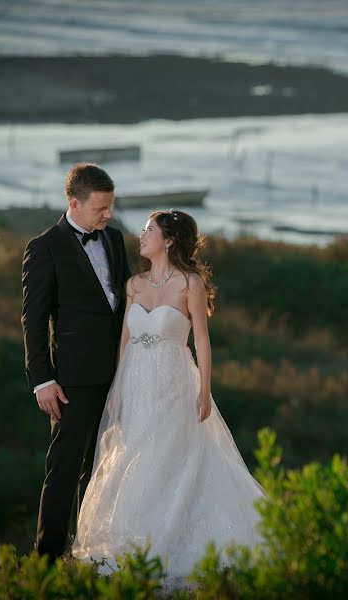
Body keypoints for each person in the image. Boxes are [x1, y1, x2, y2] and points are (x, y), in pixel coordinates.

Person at [71, 209, 264, 584]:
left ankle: (170, 539)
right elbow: (126, 339)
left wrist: (205, 390)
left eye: (149, 231)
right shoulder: (134, 284)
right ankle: (133, 538)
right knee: (134, 455)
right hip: (135, 381)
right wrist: (116, 388)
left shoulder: (190, 283)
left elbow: (203, 341)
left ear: (169, 240)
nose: (141, 237)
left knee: (170, 456)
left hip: (175, 382)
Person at [21, 163, 131, 561]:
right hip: (71, 379)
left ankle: (88, 550)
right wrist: (41, 379)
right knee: (64, 467)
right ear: (74, 203)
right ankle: (47, 560)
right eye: (101, 208)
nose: (109, 215)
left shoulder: (115, 240)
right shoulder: (44, 246)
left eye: (110, 207)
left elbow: (122, 306)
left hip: (117, 373)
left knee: (102, 465)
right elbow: (32, 319)